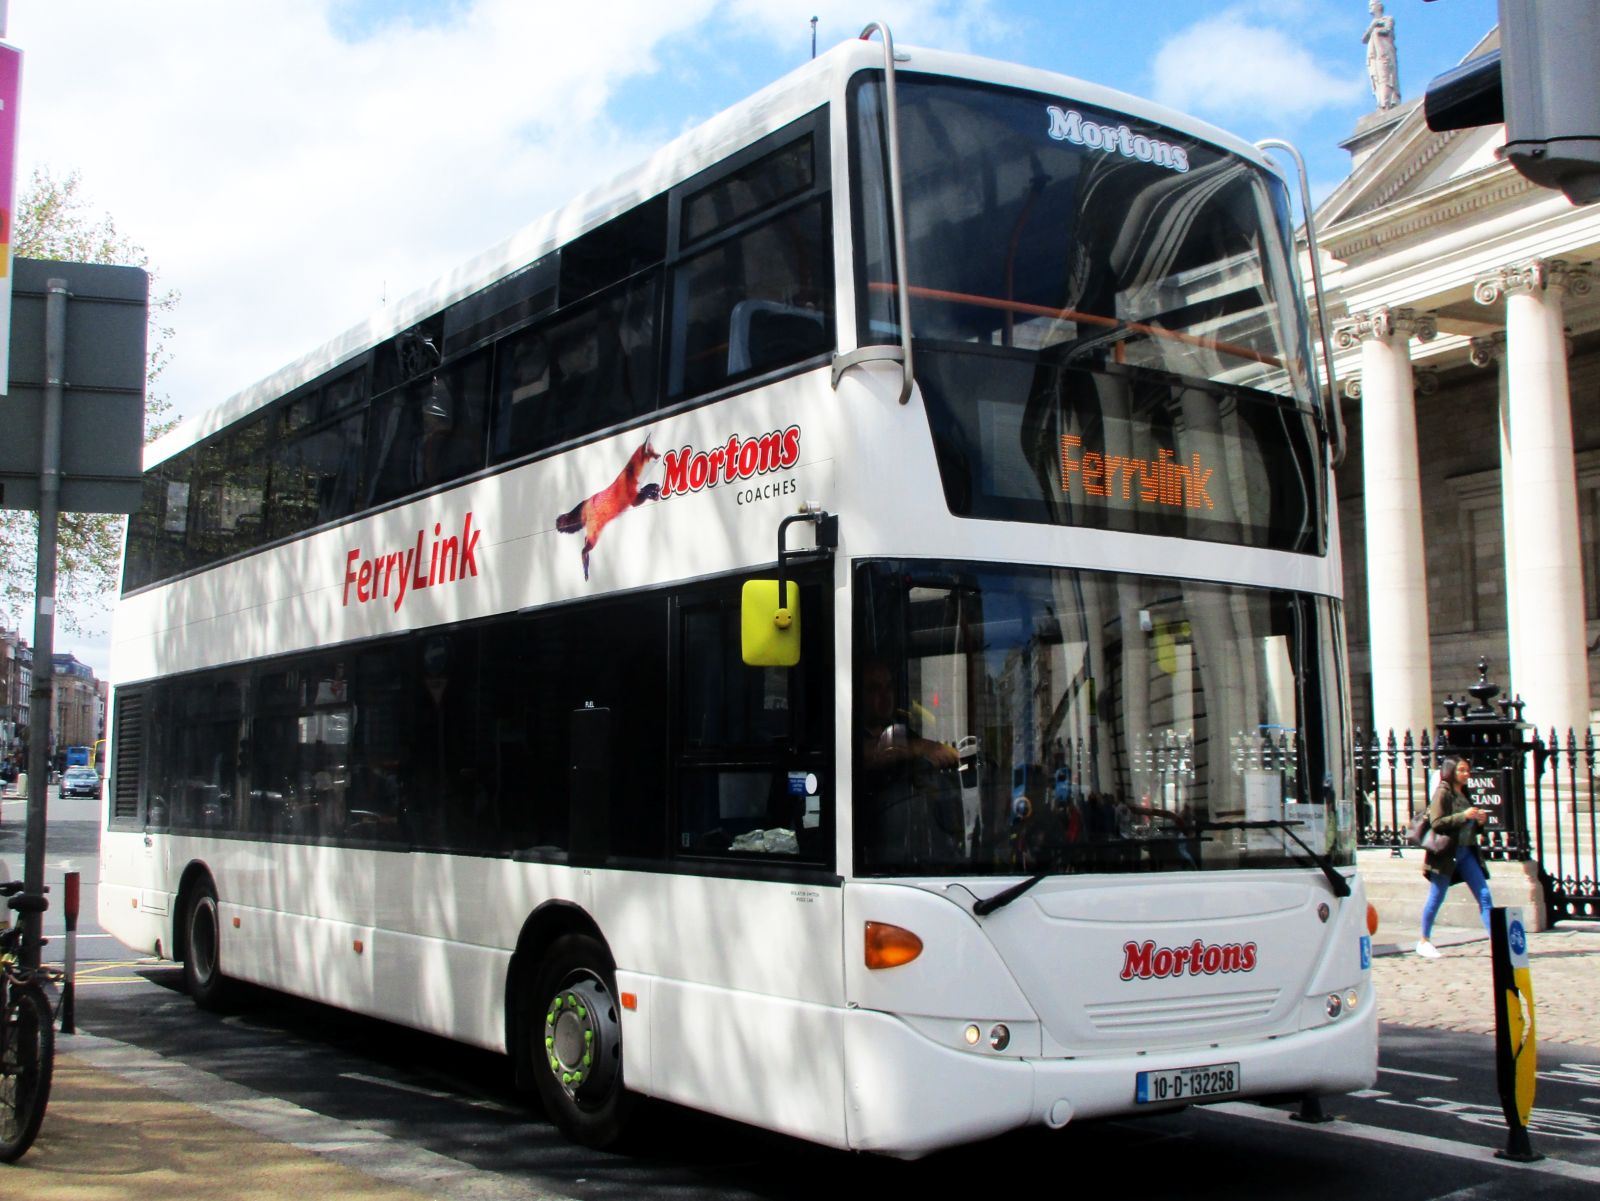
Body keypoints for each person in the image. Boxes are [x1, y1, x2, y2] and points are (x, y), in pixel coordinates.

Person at [1416, 755, 1493, 958]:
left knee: (1484, 895)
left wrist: (1479, 821)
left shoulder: (1464, 793)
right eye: (1461, 770)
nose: (1466, 774)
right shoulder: (1443, 792)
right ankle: (1424, 940)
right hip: (1447, 854)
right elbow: (1437, 822)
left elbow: (1470, 826)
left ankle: (1497, 941)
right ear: (1451, 771)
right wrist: (1464, 816)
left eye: (1467, 770)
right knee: (1437, 896)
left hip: (1467, 852)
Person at [1363, 0, 1401, 111]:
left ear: (1379, 6)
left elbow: (1387, 30)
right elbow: (1364, 39)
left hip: (1385, 53)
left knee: (1386, 76)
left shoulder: (1387, 19)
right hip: (1374, 56)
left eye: (1372, 5)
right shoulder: (1373, 24)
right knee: (1376, 78)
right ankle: (1381, 102)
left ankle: (1386, 102)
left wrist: (1376, 26)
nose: (1370, 8)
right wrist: (1373, 25)